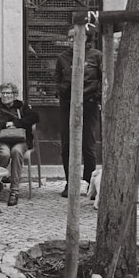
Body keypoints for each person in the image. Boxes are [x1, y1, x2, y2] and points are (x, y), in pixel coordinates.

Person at [55, 25, 102, 198]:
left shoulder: (96, 56)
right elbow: (57, 79)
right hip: (67, 105)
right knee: (67, 145)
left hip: (88, 105)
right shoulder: (63, 57)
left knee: (88, 146)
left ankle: (89, 183)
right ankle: (71, 182)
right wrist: (62, 89)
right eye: (69, 37)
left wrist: (95, 96)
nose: (71, 40)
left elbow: (102, 80)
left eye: (74, 37)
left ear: (85, 38)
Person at [0, 82, 39, 206]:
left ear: (15, 94)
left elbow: (35, 118)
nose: (5, 96)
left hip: (20, 140)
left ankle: (14, 191)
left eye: (8, 93)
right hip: (1, 140)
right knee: (5, 154)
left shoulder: (22, 106)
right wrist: (5, 125)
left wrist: (16, 123)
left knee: (16, 151)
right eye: (3, 93)